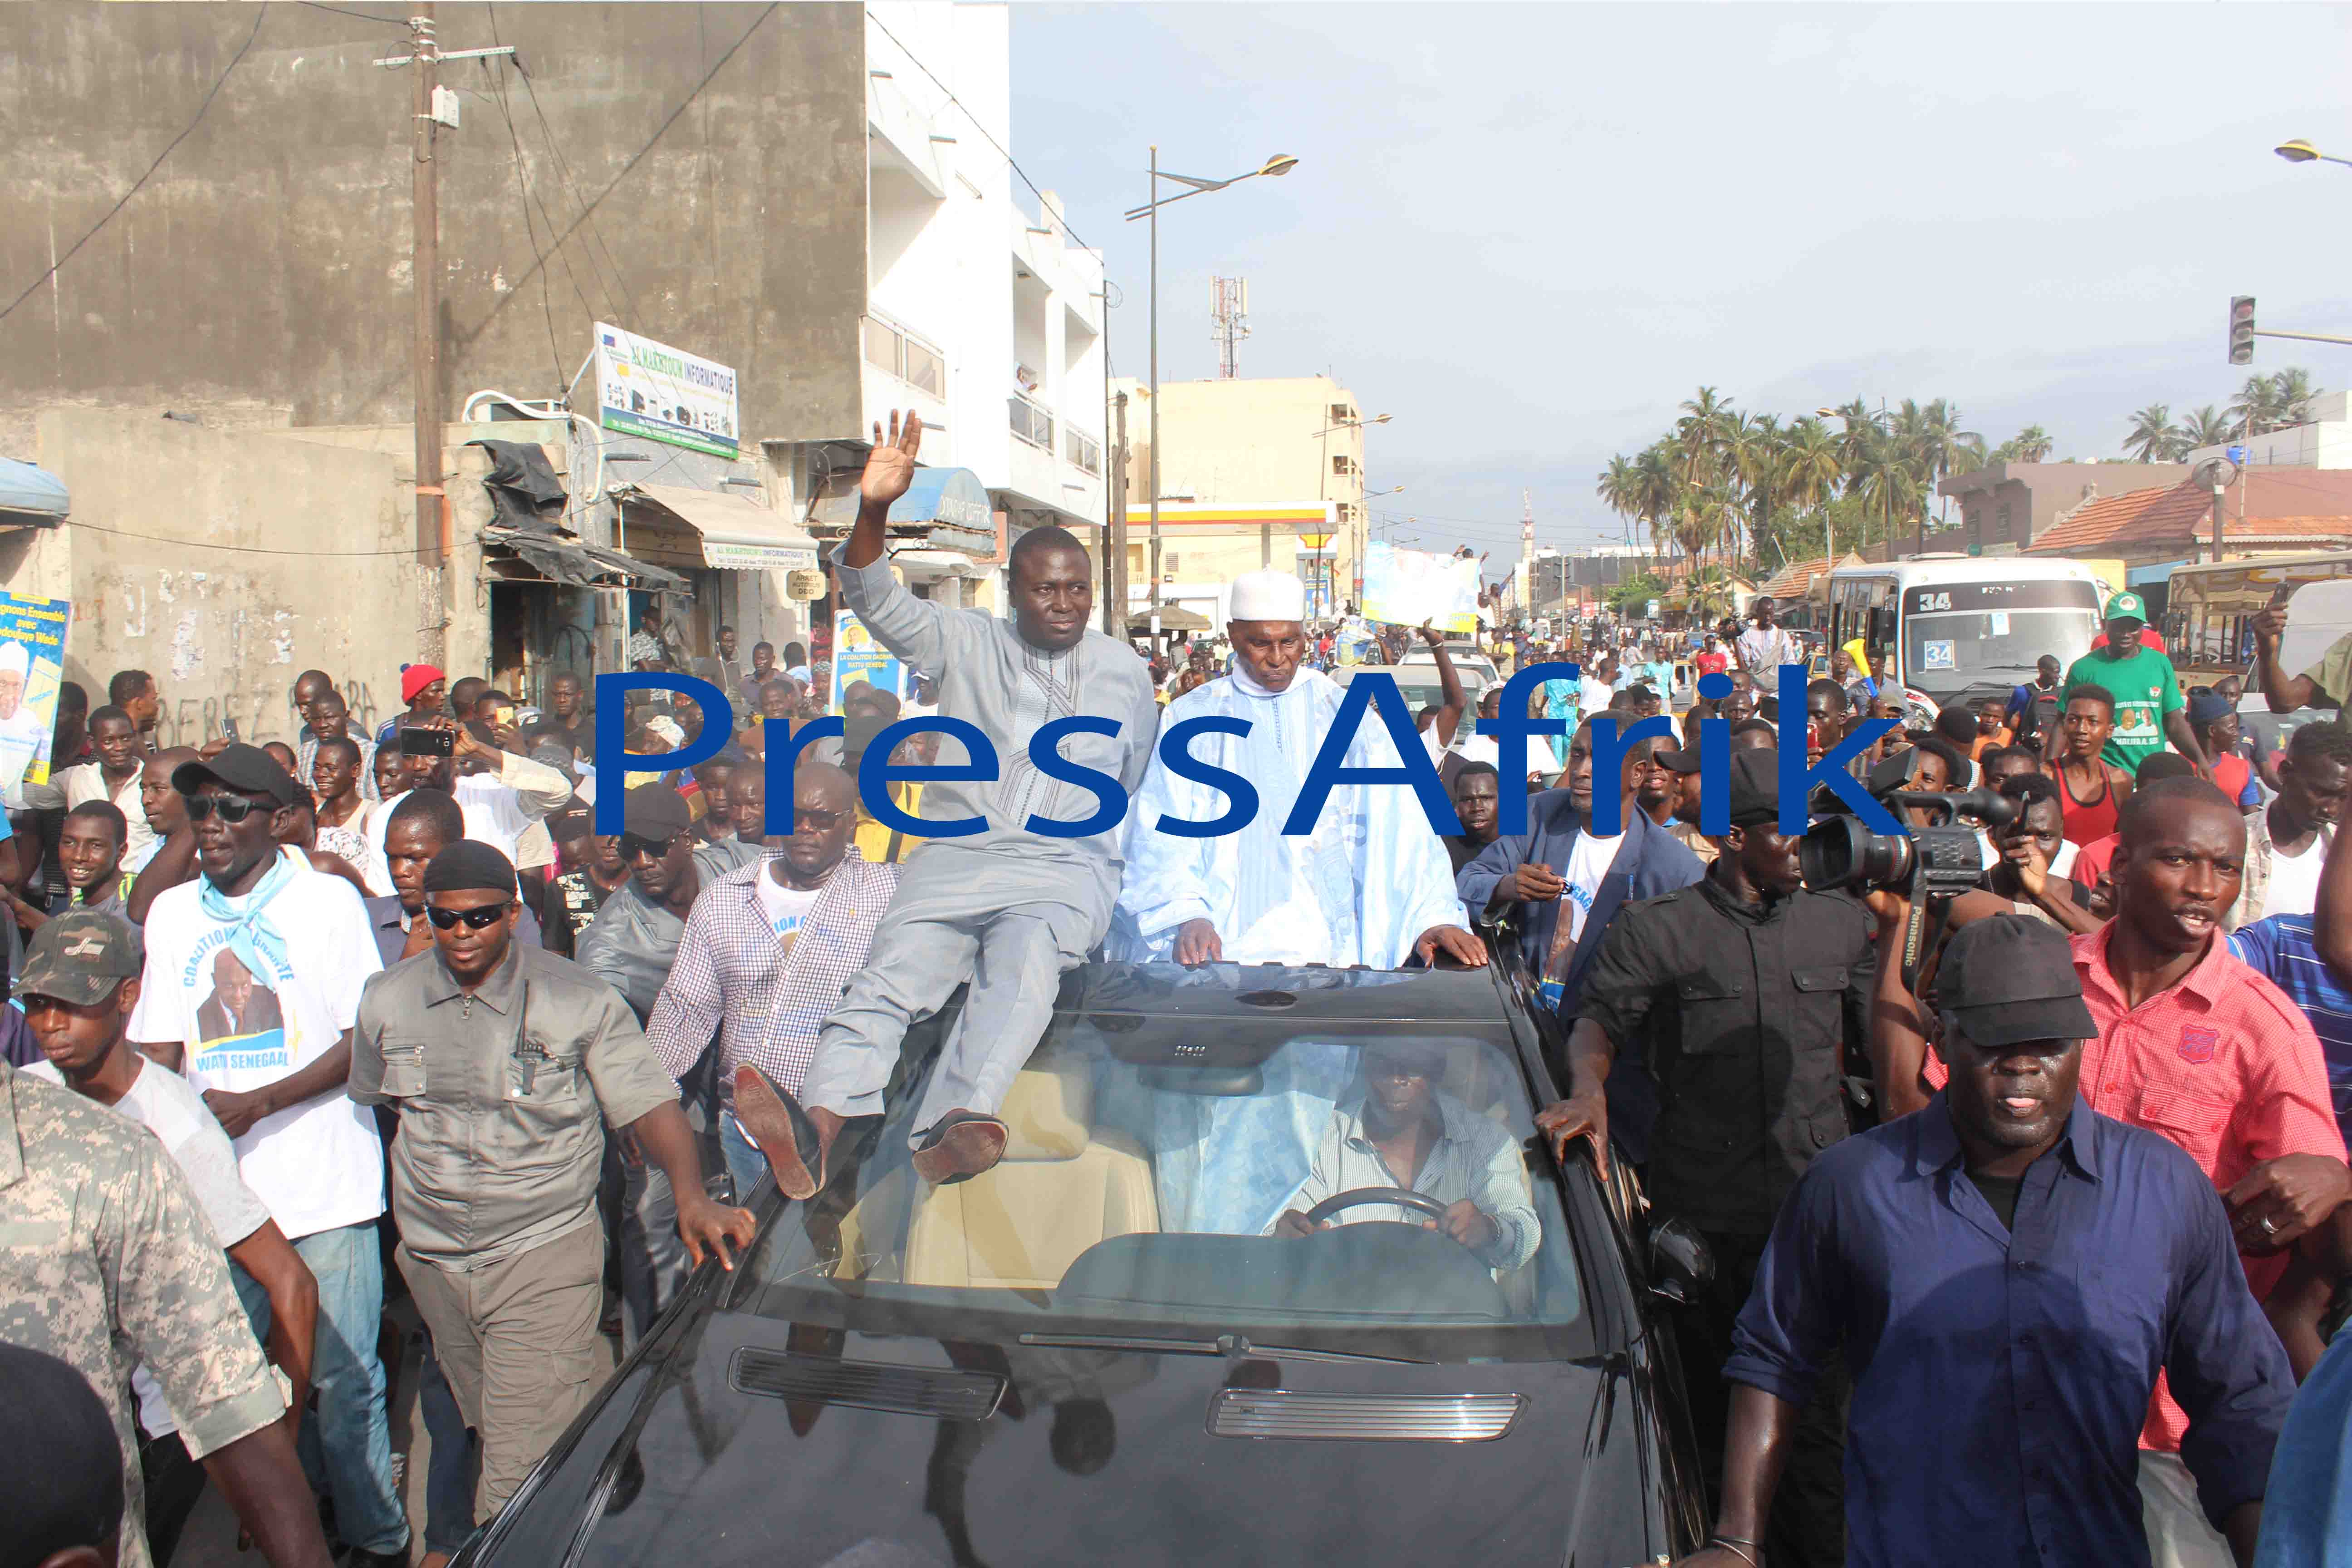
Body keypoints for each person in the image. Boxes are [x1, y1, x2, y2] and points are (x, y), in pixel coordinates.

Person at [1694, 916, 2295, 1568]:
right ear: (1943, 1040)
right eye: (1995, 1045)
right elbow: (1772, 1362)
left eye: (2050, 1045)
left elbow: (2238, 1399)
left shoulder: (2164, 1190)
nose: (2024, 1068)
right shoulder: (1851, 1187)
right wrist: (1738, 1542)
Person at [1880, 777, 2349, 1567]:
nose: (2205, 888)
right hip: (1996, 1388)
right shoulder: (2037, 978)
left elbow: (2315, 1216)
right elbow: (1927, 1121)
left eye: (2225, 868)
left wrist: (2336, 1181)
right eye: (2178, 860)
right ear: (2118, 865)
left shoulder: (2263, 1030)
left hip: (2166, 1429)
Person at [734, 412, 1160, 1198]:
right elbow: (871, 594)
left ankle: (952, 1122)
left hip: (1059, 870)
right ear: (1013, 592)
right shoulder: (964, 640)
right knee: (886, 980)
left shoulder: (1123, 671)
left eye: (1076, 589)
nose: (1062, 603)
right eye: (1044, 589)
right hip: (955, 857)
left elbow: (1128, 775)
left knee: (1024, 963)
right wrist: (872, 510)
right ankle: (817, 1132)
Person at [1537, 747, 1876, 1563]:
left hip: (1812, 1227)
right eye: (1789, 836)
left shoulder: (1844, 922)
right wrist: (1588, 1090)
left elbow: (1882, 1058)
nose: (1806, 850)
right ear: (1731, 835)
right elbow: (1595, 1023)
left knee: (1817, 1441)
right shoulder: (1659, 930)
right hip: (1702, 1231)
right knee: (1698, 1421)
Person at [352, 841, 751, 1526]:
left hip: (541, 1255)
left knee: (510, 1484)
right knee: (514, 1428)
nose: (462, 934)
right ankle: (603, 1485)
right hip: (433, 1264)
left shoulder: (577, 999)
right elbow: (384, 1104)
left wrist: (688, 1196)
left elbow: (651, 1103)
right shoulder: (386, 999)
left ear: (512, 913)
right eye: (445, 919)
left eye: (479, 917)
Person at [124, 744, 410, 1568]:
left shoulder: (324, 902)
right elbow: (160, 1050)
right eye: (198, 809)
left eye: (229, 809)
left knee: (344, 1384)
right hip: (222, 1200)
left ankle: (377, 1538)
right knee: (237, 1392)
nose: (209, 826)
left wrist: (261, 1101)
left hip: (324, 1186)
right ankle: (296, 1531)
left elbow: (363, 1038)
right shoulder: (177, 914)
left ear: (276, 817)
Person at [18, 909, 325, 1568]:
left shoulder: (174, 1129)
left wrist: (281, 1440)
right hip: (53, 1423)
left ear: (126, 997)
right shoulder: (32, 1098)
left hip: (160, 1430)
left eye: (73, 1005)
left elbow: (292, 1283)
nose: (50, 1025)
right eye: (38, 1004)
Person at [647, 762, 897, 1202]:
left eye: (821, 819)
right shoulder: (726, 898)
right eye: (793, 814)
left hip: (849, 1134)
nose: (804, 828)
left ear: (851, 826)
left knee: (828, 1261)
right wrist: (645, 1101)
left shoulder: (887, 895)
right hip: (744, 1133)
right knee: (756, 1262)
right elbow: (685, 1009)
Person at [575, 785, 738, 1341]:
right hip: (671, 1088)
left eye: (655, 848)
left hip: (755, 1073)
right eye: (631, 850)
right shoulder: (613, 938)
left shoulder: (737, 868)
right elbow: (598, 1031)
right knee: (649, 1218)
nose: (641, 864)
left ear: (687, 841)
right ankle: (649, 1358)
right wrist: (622, 1109)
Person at [1269, 1041, 1541, 1272]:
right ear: (1364, 1068)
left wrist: (1489, 1229)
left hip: (1455, 1323)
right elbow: (1289, 1227)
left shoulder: (1486, 1140)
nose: (1396, 1079)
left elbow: (1524, 1233)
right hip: (1346, 1317)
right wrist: (1288, 1238)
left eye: (1412, 1066)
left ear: (1436, 1071)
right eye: (1382, 1065)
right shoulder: (1322, 1139)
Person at [369, 787, 544, 965]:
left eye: (415, 858)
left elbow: (531, 985)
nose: (399, 871)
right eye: (392, 858)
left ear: (454, 850)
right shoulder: (365, 917)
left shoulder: (503, 916)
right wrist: (405, 968)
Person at [2050, 592, 2208, 779]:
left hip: (2151, 779)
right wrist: (2049, 768)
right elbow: (2062, 723)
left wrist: (2201, 760)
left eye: (2133, 628)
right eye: (2118, 627)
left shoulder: (2160, 664)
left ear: (2143, 628)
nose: (2125, 634)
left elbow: (2173, 721)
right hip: (2103, 781)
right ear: (2104, 625)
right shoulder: (2084, 668)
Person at [2235, 719, 2351, 930]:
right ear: (2285, 773)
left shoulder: (2344, 856)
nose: (2331, 809)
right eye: (2320, 792)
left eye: (2343, 797)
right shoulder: (2233, 843)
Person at [60, 705, 157, 874]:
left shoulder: (156, 781)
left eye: (126, 739)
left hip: (140, 891)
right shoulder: (76, 778)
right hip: (86, 894)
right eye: (109, 741)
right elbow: (19, 796)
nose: (119, 747)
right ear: (91, 742)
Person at [2056, 684, 2136, 847]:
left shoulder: (2121, 782)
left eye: (2092, 722)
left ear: (2110, 730)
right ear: (2064, 725)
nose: (2081, 729)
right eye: (2073, 720)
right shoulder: (2046, 777)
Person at [543, 808, 627, 961]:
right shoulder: (564, 888)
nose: (608, 842)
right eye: (599, 831)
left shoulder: (652, 884)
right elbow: (554, 962)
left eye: (618, 832)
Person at [295, 689, 379, 808]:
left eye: (330, 718)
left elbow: (377, 803)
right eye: (316, 719)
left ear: (346, 717)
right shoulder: (304, 753)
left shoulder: (370, 753)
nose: (323, 725)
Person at [1441, 760, 1502, 876]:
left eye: (1486, 798)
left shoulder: (1522, 842)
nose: (1477, 808)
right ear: (1456, 804)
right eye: (1467, 800)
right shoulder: (1443, 848)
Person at [2004, 652, 2068, 751]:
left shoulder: (2062, 693)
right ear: (2042, 671)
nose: (2058, 676)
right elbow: (2008, 719)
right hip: (2027, 746)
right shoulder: (2022, 692)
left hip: (2052, 746)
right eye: (2055, 672)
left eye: (2059, 673)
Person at [374, 662, 446, 748]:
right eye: (436, 691)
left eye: (442, 691)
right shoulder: (389, 730)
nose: (443, 697)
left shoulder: (447, 727)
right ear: (418, 694)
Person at [1735, 596, 1803, 684]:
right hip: (1755, 690)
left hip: (1777, 690)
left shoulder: (1782, 636)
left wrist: (1794, 692)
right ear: (1757, 613)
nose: (1767, 618)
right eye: (1764, 614)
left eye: (1770, 614)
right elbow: (1745, 664)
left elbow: (1790, 661)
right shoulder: (1747, 635)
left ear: (1774, 613)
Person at [110, 667, 162, 752]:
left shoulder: (146, 735)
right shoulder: (122, 746)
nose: (157, 706)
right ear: (139, 703)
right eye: (154, 699)